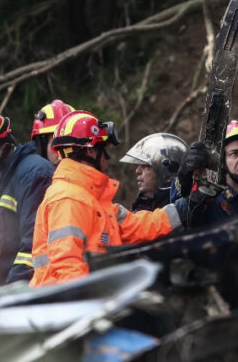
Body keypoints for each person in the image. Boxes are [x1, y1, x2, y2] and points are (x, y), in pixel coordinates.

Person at [30, 111, 192, 287]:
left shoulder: (90, 200)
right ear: (90, 151)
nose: (107, 160)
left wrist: (183, 208)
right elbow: (68, 267)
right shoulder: (69, 199)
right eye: (103, 150)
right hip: (68, 306)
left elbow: (139, 226)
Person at [0, 106, 58, 286]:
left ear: (2, 148)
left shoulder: (35, 174)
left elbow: (33, 247)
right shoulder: (5, 180)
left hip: (26, 296)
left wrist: (10, 291)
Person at [172, 120, 238, 227]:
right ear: (222, 162)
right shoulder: (207, 203)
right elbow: (177, 220)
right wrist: (183, 180)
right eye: (234, 153)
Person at [120, 133, 186, 211]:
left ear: (164, 172)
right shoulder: (141, 205)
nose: (137, 171)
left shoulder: (185, 210)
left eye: (146, 166)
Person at [30, 99, 75, 165]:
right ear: (42, 145)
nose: (64, 150)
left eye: (69, 143)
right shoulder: (35, 173)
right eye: (57, 143)